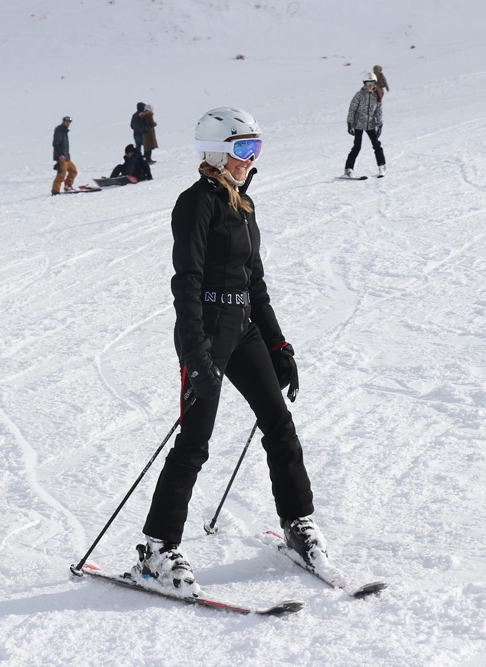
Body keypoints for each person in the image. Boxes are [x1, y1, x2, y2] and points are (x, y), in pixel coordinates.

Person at [133, 107, 327, 597]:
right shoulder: (195, 204)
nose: (250, 158)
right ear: (216, 151)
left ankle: (297, 524)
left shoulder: (244, 204)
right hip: (207, 333)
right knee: (195, 441)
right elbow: (187, 282)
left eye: (256, 148)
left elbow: (254, 283)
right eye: (243, 149)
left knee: (278, 424)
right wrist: (197, 353)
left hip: (243, 328)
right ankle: (157, 550)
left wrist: (279, 343)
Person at [343, 73, 386, 178]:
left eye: (372, 83)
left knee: (376, 145)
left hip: (371, 125)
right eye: (367, 83)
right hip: (358, 124)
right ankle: (348, 170)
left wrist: (379, 124)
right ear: (364, 83)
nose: (370, 85)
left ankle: (382, 166)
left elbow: (378, 111)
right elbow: (352, 109)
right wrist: (350, 123)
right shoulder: (359, 95)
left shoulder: (377, 95)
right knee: (357, 147)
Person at [52, 116, 77, 195]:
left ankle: (68, 185)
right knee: (61, 175)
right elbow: (55, 144)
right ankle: (55, 191)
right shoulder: (59, 131)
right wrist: (60, 155)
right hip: (62, 158)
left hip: (66, 157)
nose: (68, 124)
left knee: (73, 171)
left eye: (69, 122)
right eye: (66, 122)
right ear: (63, 122)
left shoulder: (64, 131)